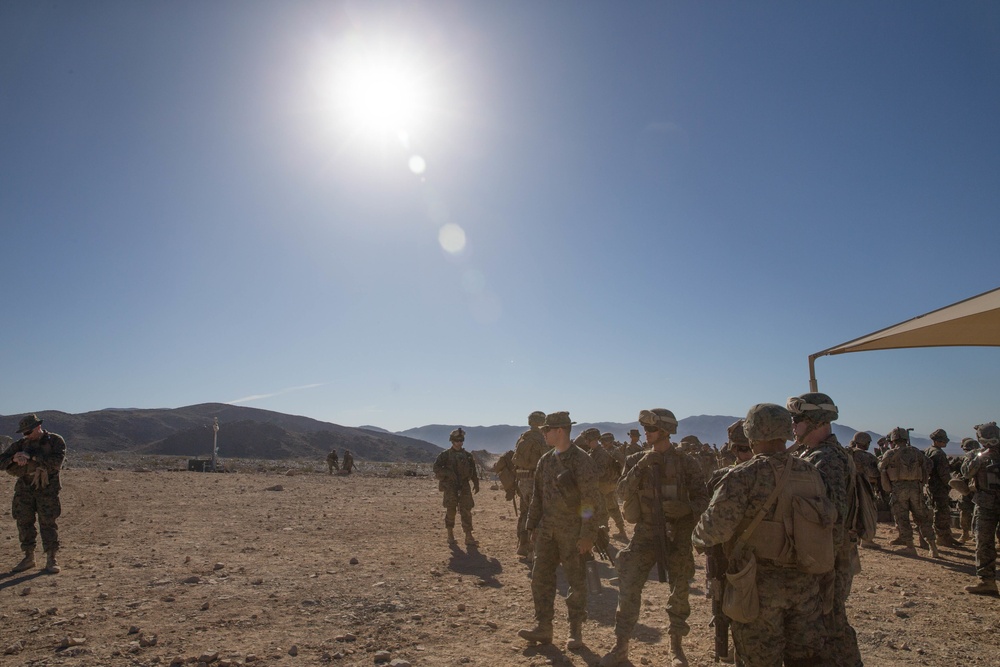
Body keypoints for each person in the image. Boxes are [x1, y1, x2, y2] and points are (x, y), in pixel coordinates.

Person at [693, 404, 828, 667]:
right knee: (806, 659)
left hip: (757, 586)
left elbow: (714, 530)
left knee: (758, 659)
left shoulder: (743, 476)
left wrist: (696, 538)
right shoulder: (811, 473)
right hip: (806, 583)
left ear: (752, 433)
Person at [600, 409, 708, 667]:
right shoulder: (637, 459)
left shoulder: (686, 462)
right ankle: (621, 646)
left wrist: (687, 509)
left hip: (677, 534)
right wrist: (642, 465)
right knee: (628, 585)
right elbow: (622, 491)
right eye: (644, 429)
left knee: (680, 591)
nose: (646, 433)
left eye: (650, 429)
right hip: (645, 533)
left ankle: (676, 648)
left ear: (666, 431)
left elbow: (704, 500)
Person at [786, 392, 863, 667]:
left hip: (828, 559)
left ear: (815, 421)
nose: (792, 426)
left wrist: (818, 564)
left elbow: (833, 520)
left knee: (830, 624)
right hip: (825, 557)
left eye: (797, 420)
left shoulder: (826, 459)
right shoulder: (818, 455)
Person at [518, 411, 601, 651]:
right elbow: (537, 497)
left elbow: (590, 502)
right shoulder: (545, 460)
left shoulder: (581, 461)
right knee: (540, 579)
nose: (543, 433)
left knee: (576, 583)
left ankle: (575, 632)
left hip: (573, 534)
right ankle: (544, 627)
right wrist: (531, 526)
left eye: (547, 430)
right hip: (547, 532)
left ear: (560, 431)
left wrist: (587, 535)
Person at [1, 414, 66, 574]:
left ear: (38, 427)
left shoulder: (55, 441)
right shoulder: (21, 445)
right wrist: (13, 459)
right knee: (24, 521)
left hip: (47, 489)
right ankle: (28, 557)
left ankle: (51, 558)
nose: (26, 435)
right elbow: (1, 461)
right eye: (24, 433)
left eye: (28, 432)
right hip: (24, 488)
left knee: (48, 523)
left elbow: (56, 463)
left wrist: (32, 457)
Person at [879, 427, 938, 557]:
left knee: (902, 517)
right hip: (916, 488)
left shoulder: (890, 454)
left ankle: (910, 546)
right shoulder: (916, 452)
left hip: (899, 488)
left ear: (894, 440)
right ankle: (933, 547)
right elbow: (928, 465)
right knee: (922, 517)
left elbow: (881, 467)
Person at [962, 422, 1000, 595]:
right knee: (984, 542)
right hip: (985, 502)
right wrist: (980, 458)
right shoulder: (976, 455)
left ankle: (987, 580)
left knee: (984, 543)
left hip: (985, 503)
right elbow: (966, 473)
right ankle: (987, 581)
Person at [433, 428, 480, 546]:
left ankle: (468, 536)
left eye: (461, 440)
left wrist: (476, 482)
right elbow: (436, 468)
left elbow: (473, 471)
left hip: (464, 485)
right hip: (451, 486)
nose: (460, 442)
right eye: (457, 440)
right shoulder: (445, 455)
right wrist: (447, 474)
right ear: (452, 441)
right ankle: (450, 534)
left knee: (466, 510)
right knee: (451, 510)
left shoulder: (468, 456)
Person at [512, 411, 549, 557]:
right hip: (535, 481)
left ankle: (522, 545)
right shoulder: (541, 439)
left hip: (522, 481)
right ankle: (532, 551)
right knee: (536, 514)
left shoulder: (523, 437)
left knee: (524, 512)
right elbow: (546, 460)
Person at [925, 429, 961, 547]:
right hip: (939, 487)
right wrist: (950, 484)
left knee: (938, 510)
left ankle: (944, 536)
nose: (945, 443)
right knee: (942, 512)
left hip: (932, 485)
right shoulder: (939, 454)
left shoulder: (929, 451)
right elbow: (943, 474)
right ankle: (943, 537)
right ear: (938, 441)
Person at [848, 432, 881, 549]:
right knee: (867, 513)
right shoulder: (866, 456)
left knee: (854, 513)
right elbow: (874, 473)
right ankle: (867, 539)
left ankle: (856, 538)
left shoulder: (849, 453)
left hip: (849, 487)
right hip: (864, 487)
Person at [600, 432, 628, 539]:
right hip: (605, 484)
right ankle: (605, 529)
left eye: (604, 441)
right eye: (601, 441)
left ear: (610, 441)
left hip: (610, 484)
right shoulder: (606, 451)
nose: (602, 443)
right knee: (605, 508)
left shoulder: (615, 452)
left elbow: (624, 463)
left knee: (612, 508)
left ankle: (621, 531)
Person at [955, 437, 981, 543]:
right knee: (967, 512)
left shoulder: (974, 458)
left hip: (976, 490)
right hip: (970, 490)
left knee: (971, 513)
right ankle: (967, 534)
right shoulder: (968, 458)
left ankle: (968, 534)